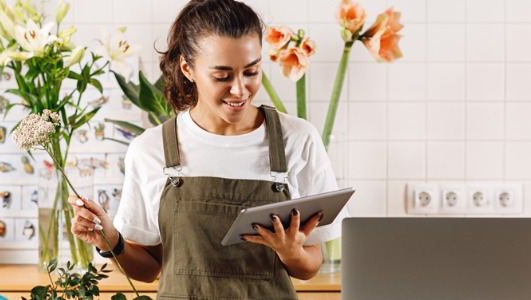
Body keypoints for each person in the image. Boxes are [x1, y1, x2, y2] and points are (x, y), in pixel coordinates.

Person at [68, 0, 348, 298]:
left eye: (251, 72)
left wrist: (291, 252)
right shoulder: (150, 149)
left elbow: (310, 266)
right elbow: (150, 269)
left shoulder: (299, 139)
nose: (240, 89)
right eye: (222, 76)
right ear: (188, 68)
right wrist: (110, 240)